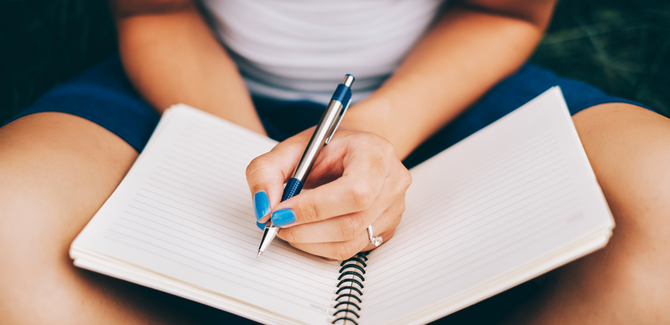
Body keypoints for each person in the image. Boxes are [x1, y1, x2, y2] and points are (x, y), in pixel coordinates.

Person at [1, 0, 669, 324]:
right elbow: (153, 10)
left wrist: (378, 130)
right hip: (185, 83)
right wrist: (248, 154)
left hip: (446, 86)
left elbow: (505, 12)